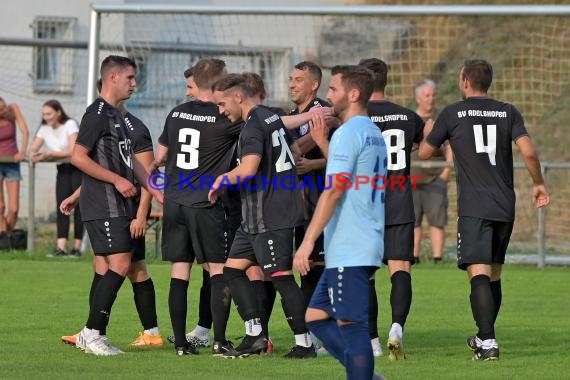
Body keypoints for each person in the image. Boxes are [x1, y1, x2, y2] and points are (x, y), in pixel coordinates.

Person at [419, 59, 550, 360]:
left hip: (474, 205)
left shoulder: (453, 113)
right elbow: (528, 150)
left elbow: (426, 152)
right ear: (488, 82)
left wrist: (436, 133)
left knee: (478, 272)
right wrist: (538, 183)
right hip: (505, 203)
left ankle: (488, 342)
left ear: (465, 81)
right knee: (494, 275)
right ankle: (483, 335)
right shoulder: (508, 111)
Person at [209, 73, 319, 359]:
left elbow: (247, 170)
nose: (221, 111)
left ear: (238, 97)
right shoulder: (269, 116)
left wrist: (220, 180)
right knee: (232, 270)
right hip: (256, 216)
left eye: (222, 104)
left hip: (270, 214)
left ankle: (305, 344)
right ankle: (255, 333)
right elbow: (291, 152)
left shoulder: (253, 127)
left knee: (281, 277)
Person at [294, 64, 387, 380]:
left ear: (354, 93)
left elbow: (334, 190)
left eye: (333, 89)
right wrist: (322, 141)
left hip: (351, 244)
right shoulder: (372, 132)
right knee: (316, 316)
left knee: (352, 326)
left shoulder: (349, 132)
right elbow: (350, 176)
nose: (328, 95)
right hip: (358, 242)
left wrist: (307, 243)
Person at [71, 55, 163, 356]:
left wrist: (156, 189)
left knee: (122, 265)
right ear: (112, 78)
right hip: (104, 204)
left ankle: (94, 332)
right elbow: (78, 157)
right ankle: (91, 332)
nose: (135, 84)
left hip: (116, 204)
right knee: (120, 265)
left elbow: (133, 163)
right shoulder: (96, 114)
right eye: (130, 78)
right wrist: (116, 180)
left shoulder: (118, 117)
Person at [155, 58, 239, 356]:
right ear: (217, 84)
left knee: (180, 271)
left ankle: (180, 343)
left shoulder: (176, 112)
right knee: (218, 270)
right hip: (205, 203)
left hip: (175, 202)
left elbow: (160, 155)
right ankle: (219, 341)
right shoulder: (224, 117)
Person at [358, 58, 424, 361]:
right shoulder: (408, 116)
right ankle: (396, 327)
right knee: (400, 269)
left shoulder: (355, 117)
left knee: (367, 275)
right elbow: (424, 144)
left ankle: (371, 340)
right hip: (399, 201)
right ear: (386, 81)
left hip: (366, 203)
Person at [29, 99, 83, 258]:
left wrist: (50, 154)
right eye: (44, 114)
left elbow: (73, 149)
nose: (46, 117)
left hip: (79, 168)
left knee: (79, 207)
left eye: (49, 113)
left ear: (58, 112)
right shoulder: (44, 128)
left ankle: (77, 248)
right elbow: (33, 149)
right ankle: (61, 247)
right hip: (63, 169)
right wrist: (35, 154)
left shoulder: (70, 124)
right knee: (62, 206)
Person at [410, 79, 453, 263]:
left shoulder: (442, 119)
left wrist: (446, 172)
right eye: (427, 95)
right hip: (412, 178)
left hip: (435, 177)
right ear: (418, 98)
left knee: (437, 220)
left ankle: (437, 259)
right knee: (413, 221)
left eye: (433, 95)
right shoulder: (410, 119)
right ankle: (414, 257)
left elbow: (451, 146)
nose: (431, 99)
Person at [0, 97, 29, 233]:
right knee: (0, 206)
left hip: (12, 162)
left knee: (14, 208)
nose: (5, 110)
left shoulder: (13, 108)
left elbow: (25, 131)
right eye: (1, 110)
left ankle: (6, 238)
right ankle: (4, 242)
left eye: (4, 106)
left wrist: (22, 151)